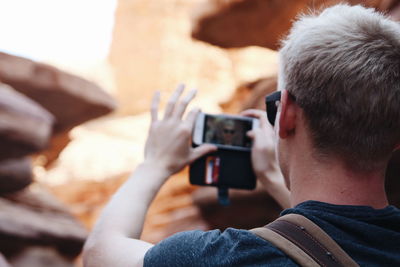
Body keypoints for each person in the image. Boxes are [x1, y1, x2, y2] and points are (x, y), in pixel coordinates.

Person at [83, 4, 400, 267]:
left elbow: (101, 253)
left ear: (286, 113)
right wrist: (273, 176)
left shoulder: (230, 257)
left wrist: (154, 164)